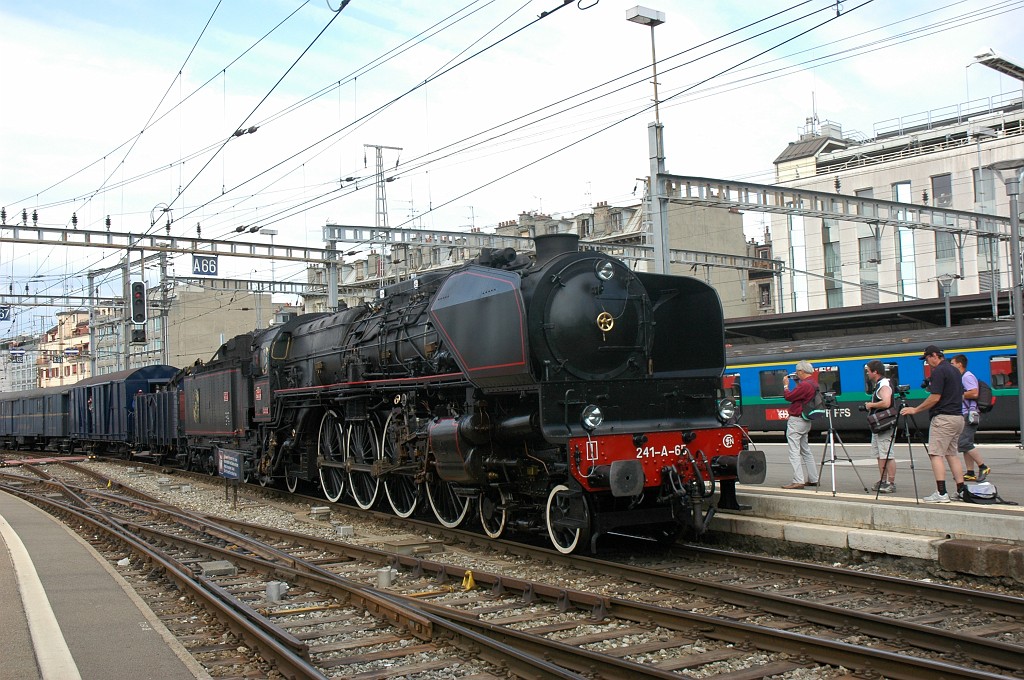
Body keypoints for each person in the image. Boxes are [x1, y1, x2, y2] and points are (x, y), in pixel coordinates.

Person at [899, 345, 965, 503]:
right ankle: (961, 490)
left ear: (935, 355)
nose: (927, 362)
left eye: (927, 358)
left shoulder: (939, 371)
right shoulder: (954, 370)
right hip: (958, 417)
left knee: (936, 454)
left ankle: (941, 493)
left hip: (943, 419)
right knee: (952, 454)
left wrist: (916, 409)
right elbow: (961, 394)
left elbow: (935, 397)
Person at [950, 354, 991, 483]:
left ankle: (983, 466)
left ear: (959, 364)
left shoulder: (967, 376)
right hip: (965, 413)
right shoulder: (962, 377)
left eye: (952, 363)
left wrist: (958, 395)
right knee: (966, 444)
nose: (951, 366)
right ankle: (970, 472)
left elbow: (974, 393)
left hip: (969, 414)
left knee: (963, 443)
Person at [781, 360, 820, 489]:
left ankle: (798, 480)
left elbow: (789, 397)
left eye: (798, 372)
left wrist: (786, 386)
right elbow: (802, 396)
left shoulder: (804, 385)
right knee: (806, 450)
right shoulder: (813, 384)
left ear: (802, 371)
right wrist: (797, 383)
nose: (797, 374)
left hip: (796, 420)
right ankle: (813, 478)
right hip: (806, 420)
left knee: (794, 451)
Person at [864, 360, 896, 493]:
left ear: (875, 372)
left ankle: (891, 482)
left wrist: (871, 405)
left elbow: (886, 402)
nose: (867, 373)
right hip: (878, 425)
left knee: (887, 454)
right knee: (880, 454)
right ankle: (883, 480)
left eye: (868, 371)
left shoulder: (883, 384)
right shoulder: (880, 384)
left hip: (884, 425)